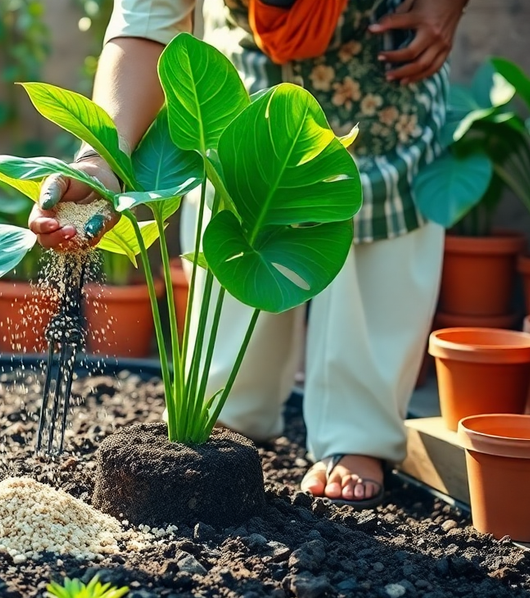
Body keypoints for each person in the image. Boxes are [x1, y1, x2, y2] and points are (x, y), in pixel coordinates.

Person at [28, 0, 468, 508]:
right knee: (236, 198)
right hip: (253, 59)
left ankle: (358, 435)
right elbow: (146, 21)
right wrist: (101, 160)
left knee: (371, 217)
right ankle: (228, 413)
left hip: (382, 69)